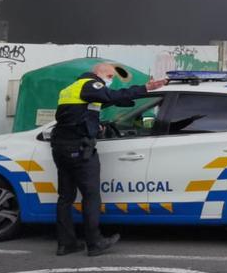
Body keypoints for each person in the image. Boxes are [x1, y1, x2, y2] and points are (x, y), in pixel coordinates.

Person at [52, 63, 166, 256]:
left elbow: (88, 110)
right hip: (78, 149)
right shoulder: (90, 85)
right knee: (91, 196)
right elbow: (111, 96)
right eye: (109, 75)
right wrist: (146, 88)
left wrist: (96, 126)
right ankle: (94, 242)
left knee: (65, 198)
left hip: (61, 147)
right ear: (98, 74)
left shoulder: (71, 89)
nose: (110, 80)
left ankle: (66, 244)